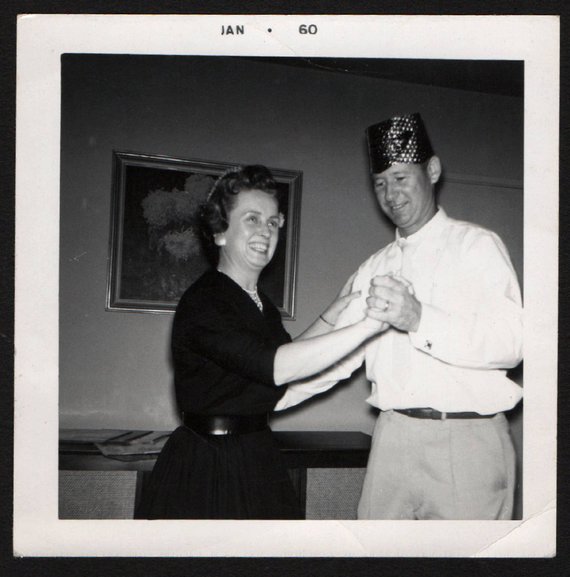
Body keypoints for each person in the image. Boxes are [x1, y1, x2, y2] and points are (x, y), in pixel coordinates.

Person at [277, 113, 523, 520]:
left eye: (401, 178)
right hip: (390, 439)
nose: (390, 194)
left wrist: (419, 318)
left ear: (433, 170)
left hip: (466, 443)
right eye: (380, 183)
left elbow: (513, 343)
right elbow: (336, 359)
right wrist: (262, 397)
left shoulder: (477, 246)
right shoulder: (372, 268)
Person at [135, 165, 387, 520]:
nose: (265, 231)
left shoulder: (258, 302)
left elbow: (281, 357)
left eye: (273, 222)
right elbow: (278, 366)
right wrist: (371, 325)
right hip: (209, 463)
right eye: (252, 219)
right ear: (220, 232)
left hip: (254, 451)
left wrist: (331, 315)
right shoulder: (206, 301)